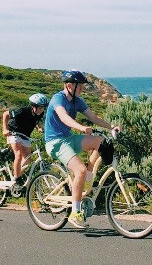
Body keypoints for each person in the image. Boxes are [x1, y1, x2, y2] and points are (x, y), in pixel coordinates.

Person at [44, 70, 120, 229]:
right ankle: (75, 212)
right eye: (80, 86)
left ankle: (87, 179)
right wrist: (81, 127)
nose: (83, 88)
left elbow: (93, 117)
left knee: (101, 141)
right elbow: (64, 117)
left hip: (69, 139)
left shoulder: (77, 101)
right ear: (70, 85)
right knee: (79, 170)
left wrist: (112, 127)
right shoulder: (57, 99)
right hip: (56, 142)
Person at [2, 93, 48, 188]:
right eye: (40, 107)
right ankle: (17, 179)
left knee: (27, 160)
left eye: (43, 108)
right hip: (14, 133)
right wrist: (4, 129)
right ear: (33, 106)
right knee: (18, 155)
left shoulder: (40, 113)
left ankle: (15, 174)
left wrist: (38, 127)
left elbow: (36, 120)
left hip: (25, 135)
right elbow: (5, 114)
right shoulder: (22, 111)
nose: (42, 110)